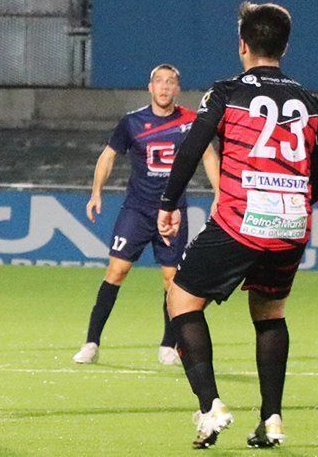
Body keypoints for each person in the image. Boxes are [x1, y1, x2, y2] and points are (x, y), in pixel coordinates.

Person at [156, 2, 318, 449]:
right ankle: (272, 419)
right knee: (270, 314)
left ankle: (210, 406)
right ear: (285, 47)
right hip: (292, 225)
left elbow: (192, 148)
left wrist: (168, 204)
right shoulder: (308, 100)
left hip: (241, 220)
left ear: (243, 45)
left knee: (180, 299)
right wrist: (288, 202)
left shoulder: (226, 92)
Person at [72, 64, 220, 367]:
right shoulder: (132, 122)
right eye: (159, 81)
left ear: (178, 89)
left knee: (172, 281)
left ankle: (168, 344)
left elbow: (208, 156)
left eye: (171, 82)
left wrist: (219, 194)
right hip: (137, 210)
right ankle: (91, 342)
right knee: (116, 272)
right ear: (150, 87)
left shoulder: (192, 121)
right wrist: (96, 191)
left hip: (173, 212)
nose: (164, 87)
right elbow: (108, 155)